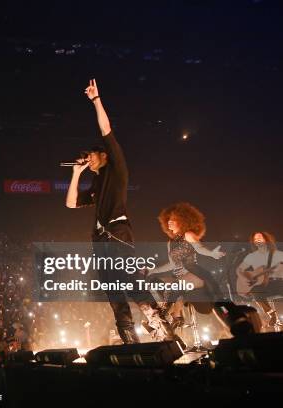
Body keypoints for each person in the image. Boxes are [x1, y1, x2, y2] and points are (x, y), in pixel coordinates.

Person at [65, 79, 174, 343]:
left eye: (92, 155)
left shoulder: (116, 169)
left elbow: (106, 129)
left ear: (103, 155)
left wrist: (96, 100)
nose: (88, 158)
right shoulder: (95, 184)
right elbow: (70, 203)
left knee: (130, 281)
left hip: (117, 232)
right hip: (100, 240)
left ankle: (160, 325)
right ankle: (130, 340)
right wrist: (76, 174)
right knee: (114, 293)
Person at [147, 203, 259, 336]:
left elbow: (200, 249)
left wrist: (212, 253)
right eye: (168, 220)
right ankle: (171, 317)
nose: (169, 222)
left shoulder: (188, 234)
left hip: (194, 273)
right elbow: (171, 264)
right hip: (180, 275)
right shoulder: (170, 243)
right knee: (154, 282)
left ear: (183, 220)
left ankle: (165, 317)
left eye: (173, 219)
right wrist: (154, 270)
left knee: (176, 287)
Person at [236, 232, 283, 328]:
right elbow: (239, 270)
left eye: (259, 237)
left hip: (278, 283)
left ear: (266, 240)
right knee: (255, 291)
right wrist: (249, 277)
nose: (257, 239)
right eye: (255, 239)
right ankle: (271, 314)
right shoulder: (251, 256)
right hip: (264, 286)